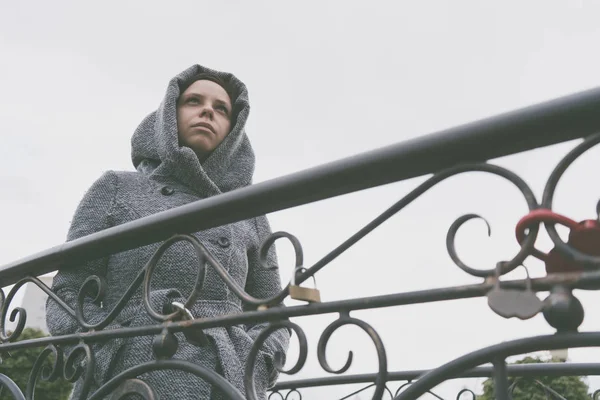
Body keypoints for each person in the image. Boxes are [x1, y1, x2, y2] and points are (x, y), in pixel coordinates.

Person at [45, 64, 290, 399]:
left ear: (234, 128)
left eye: (221, 109)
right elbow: (69, 290)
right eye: (193, 101)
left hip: (224, 380)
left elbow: (271, 312)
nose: (208, 110)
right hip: (125, 379)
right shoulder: (117, 187)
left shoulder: (250, 210)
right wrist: (100, 354)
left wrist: (256, 365)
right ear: (168, 116)